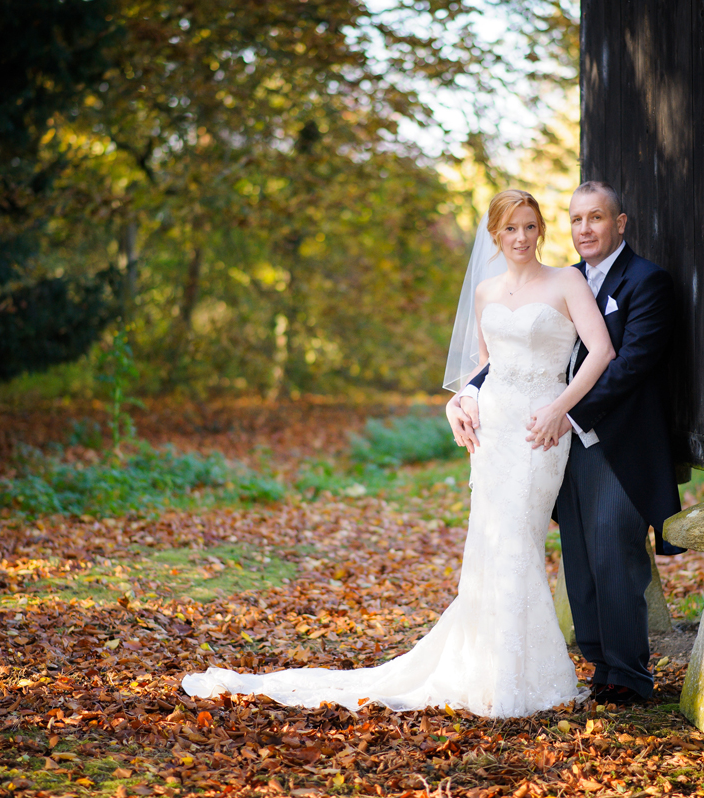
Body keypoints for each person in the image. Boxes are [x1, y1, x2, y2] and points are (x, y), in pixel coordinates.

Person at [181, 189, 616, 717]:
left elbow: (601, 352)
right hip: (493, 434)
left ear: (541, 230)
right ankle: (489, 670)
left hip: (539, 431)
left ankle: (519, 676)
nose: (520, 238)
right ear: (495, 236)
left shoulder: (566, 281)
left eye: (529, 227)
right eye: (509, 229)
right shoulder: (485, 292)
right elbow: (485, 368)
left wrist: (560, 409)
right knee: (489, 541)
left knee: (517, 541)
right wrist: (463, 400)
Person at [447, 181, 682, 706]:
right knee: (578, 556)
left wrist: (565, 410)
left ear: (619, 223)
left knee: (615, 552)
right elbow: (502, 363)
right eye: (577, 220)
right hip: (553, 440)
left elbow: (630, 364)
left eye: (596, 218)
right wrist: (463, 398)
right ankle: (599, 664)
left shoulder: (647, 282)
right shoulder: (563, 279)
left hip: (614, 442)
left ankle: (627, 674)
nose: (585, 229)